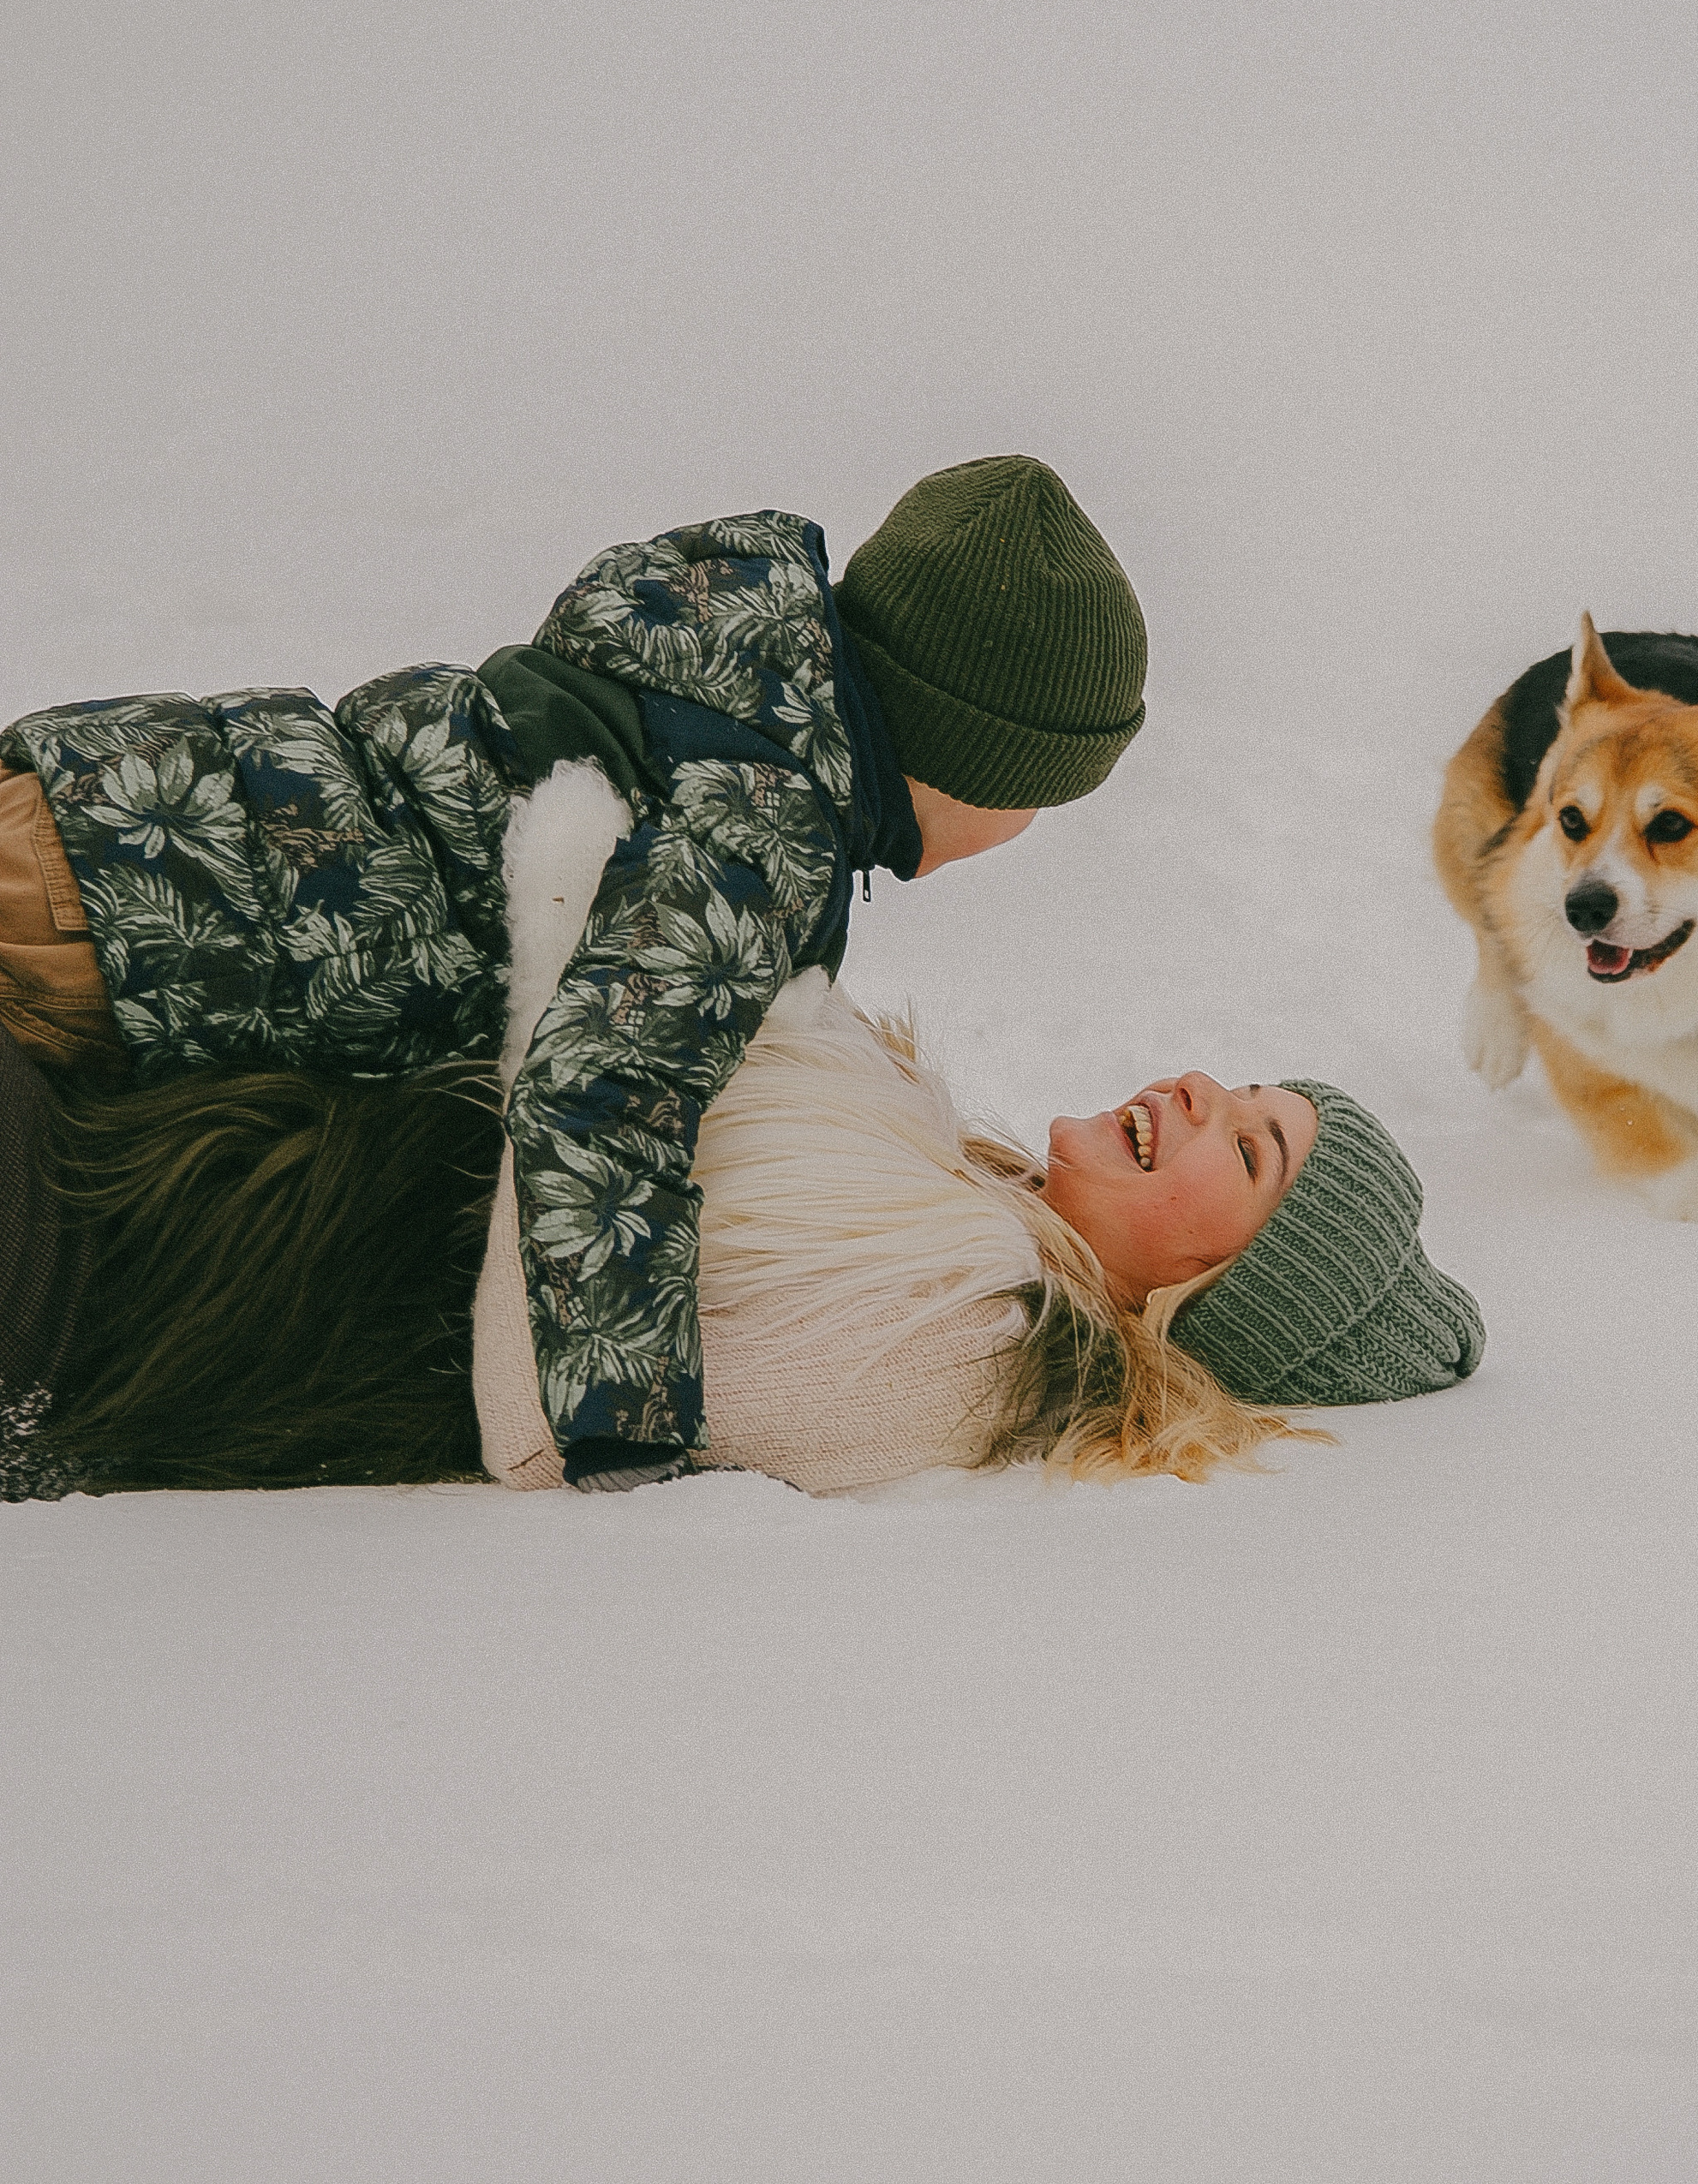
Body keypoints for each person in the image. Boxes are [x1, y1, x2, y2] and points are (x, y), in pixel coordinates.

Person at [0, 456, 1148, 1487]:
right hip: (137, 911)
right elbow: (600, 1097)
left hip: (109, 810)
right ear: (977, 758)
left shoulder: (717, 691)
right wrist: (620, 1423)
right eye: (1044, 797)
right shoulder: (760, 826)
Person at [5, 970, 1485, 1501]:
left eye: (1250, 1147)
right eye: (1248, 1090)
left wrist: (590, 1014)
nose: (1203, 1090)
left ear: (1208, 1291)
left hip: (187, 1278)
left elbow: (559, 1411)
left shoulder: (967, 1354)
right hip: (192, 1130)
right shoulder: (932, 1168)